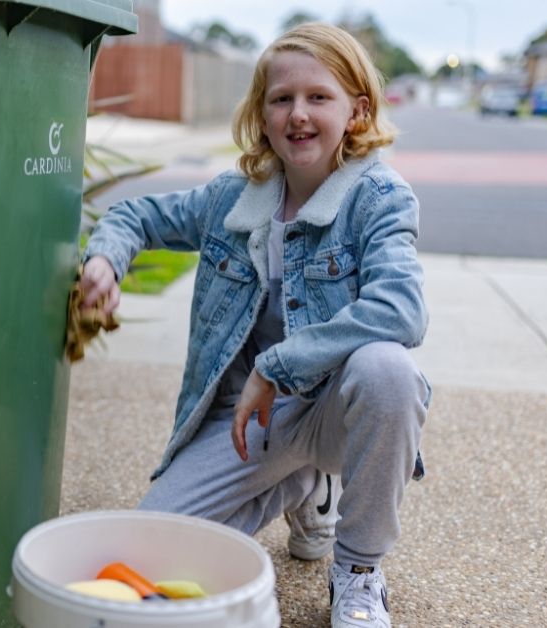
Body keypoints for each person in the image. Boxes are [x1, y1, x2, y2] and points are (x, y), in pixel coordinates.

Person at [79, 23, 430, 628]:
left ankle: (360, 571)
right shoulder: (232, 200)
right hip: (249, 425)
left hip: (328, 412)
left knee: (387, 370)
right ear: (262, 116)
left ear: (357, 111)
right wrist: (105, 260)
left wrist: (278, 365)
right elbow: (135, 213)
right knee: (153, 553)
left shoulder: (378, 198)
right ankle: (307, 489)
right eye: (281, 99)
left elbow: (402, 309)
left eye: (319, 97)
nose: (299, 113)